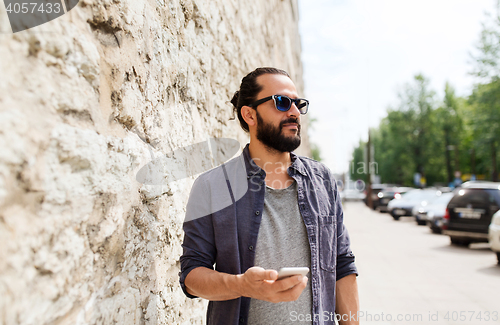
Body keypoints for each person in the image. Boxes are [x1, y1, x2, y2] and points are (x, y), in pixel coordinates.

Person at [179, 67, 359, 325]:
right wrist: (242, 285)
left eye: (298, 104)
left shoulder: (323, 180)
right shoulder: (212, 186)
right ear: (249, 114)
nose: (294, 112)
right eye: (282, 102)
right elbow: (191, 277)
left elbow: (342, 264)